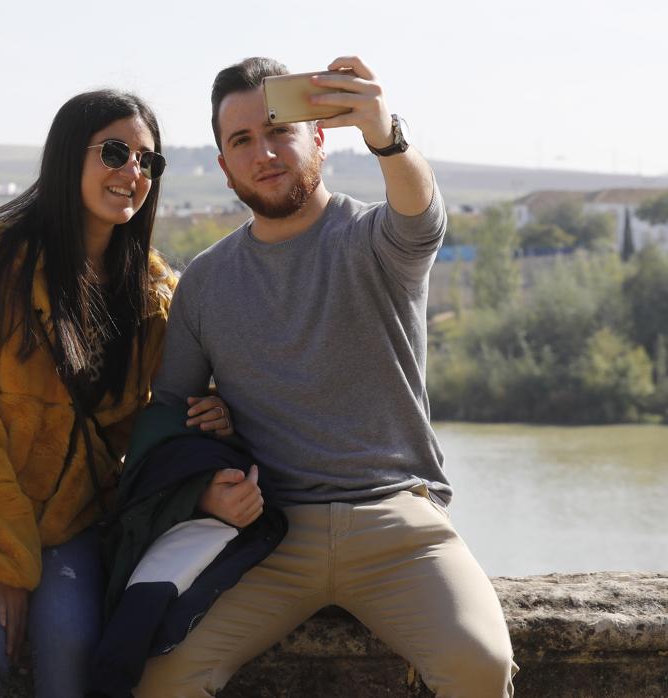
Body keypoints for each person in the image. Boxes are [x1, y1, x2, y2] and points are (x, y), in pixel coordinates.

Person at [135, 56, 516, 697]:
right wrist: (209, 469)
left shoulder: (373, 240)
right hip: (269, 534)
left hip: (397, 522)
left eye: (279, 130)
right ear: (224, 166)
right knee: (162, 677)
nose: (264, 153)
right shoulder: (205, 280)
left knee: (480, 665)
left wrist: (384, 133)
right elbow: (169, 413)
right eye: (241, 141)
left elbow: (423, 217)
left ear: (317, 135)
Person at [0, 90, 233, 698]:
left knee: (72, 656)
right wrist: (5, 559)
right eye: (115, 153)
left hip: (69, 518)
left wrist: (216, 406)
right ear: (69, 157)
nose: (133, 173)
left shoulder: (150, 294)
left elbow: (175, 395)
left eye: (149, 161)